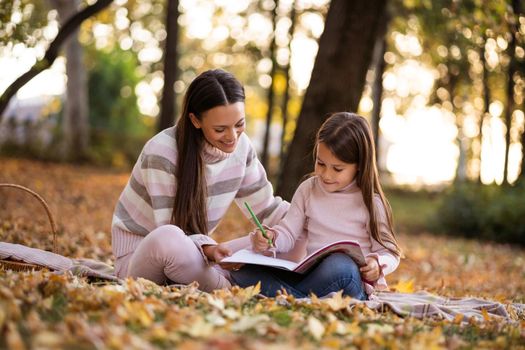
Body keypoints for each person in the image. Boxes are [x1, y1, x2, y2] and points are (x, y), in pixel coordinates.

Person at [111, 69, 305, 291]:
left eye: (239, 124)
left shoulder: (242, 148)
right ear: (195, 120)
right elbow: (170, 229)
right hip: (144, 259)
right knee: (169, 238)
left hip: (199, 256)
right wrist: (208, 250)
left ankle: (217, 279)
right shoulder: (162, 152)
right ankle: (227, 288)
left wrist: (307, 219)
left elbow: (269, 209)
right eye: (220, 129)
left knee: (293, 232)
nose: (232, 136)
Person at [230, 112, 402, 299]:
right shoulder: (308, 189)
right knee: (247, 272)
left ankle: (288, 295)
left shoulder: (371, 202)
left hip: (349, 281)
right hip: (313, 277)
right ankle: (303, 298)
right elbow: (288, 233)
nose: (326, 175)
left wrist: (377, 265)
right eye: (321, 163)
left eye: (337, 169)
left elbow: (390, 253)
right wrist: (271, 237)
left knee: (340, 265)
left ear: (359, 165)